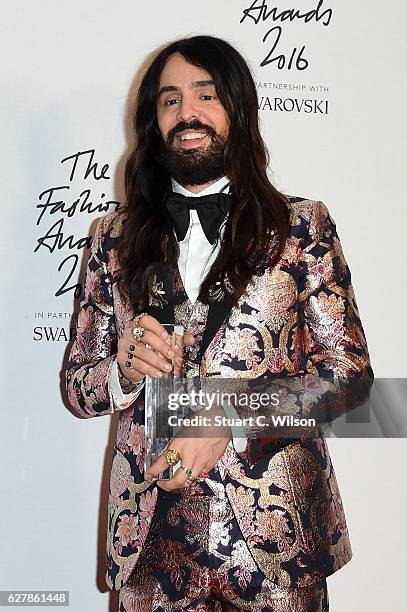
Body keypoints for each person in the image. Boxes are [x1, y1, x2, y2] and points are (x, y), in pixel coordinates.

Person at [65, 35, 373, 611]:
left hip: (276, 546)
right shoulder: (112, 238)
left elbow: (349, 377)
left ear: (237, 107)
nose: (187, 113)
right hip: (150, 545)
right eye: (170, 100)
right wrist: (122, 369)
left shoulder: (302, 227)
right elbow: (79, 391)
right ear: (152, 122)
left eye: (206, 95)